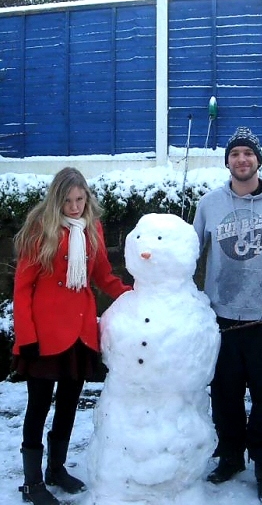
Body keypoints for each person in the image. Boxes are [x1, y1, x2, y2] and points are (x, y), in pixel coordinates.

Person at [193, 127, 262, 505]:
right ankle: (229, 455)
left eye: (248, 154)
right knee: (224, 394)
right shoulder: (209, 204)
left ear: (258, 160)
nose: (242, 159)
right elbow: (189, 256)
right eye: (235, 154)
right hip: (221, 317)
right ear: (227, 161)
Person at [12, 167, 132, 505]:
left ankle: (56, 469)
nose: (75, 206)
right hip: (45, 335)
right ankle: (32, 482)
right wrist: (26, 336)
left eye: (80, 199)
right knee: (38, 407)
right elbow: (23, 288)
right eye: (68, 201)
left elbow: (103, 276)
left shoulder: (92, 227)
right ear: (57, 199)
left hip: (79, 334)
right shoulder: (41, 228)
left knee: (67, 406)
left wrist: (133, 295)